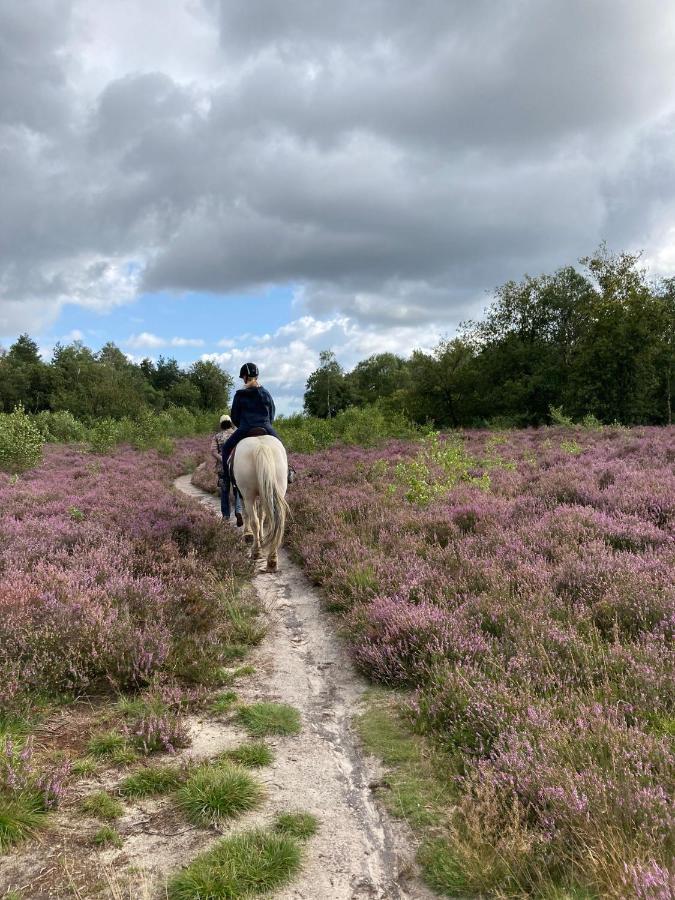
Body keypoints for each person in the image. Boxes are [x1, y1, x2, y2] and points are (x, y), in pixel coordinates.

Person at [221, 363, 280, 467]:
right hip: (266, 426)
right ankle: (288, 471)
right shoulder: (266, 393)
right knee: (281, 448)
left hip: (245, 428)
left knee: (226, 449)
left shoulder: (239, 394)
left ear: (244, 377)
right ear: (257, 376)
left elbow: (234, 416)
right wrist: (267, 424)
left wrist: (243, 426)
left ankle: (225, 480)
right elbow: (272, 413)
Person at [211, 414, 243, 525]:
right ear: (230, 422)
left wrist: (224, 459)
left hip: (222, 468)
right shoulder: (237, 434)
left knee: (224, 492)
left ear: (221, 424)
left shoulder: (217, 436)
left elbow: (213, 451)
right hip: (236, 467)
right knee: (237, 491)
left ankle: (225, 516)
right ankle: (238, 511)